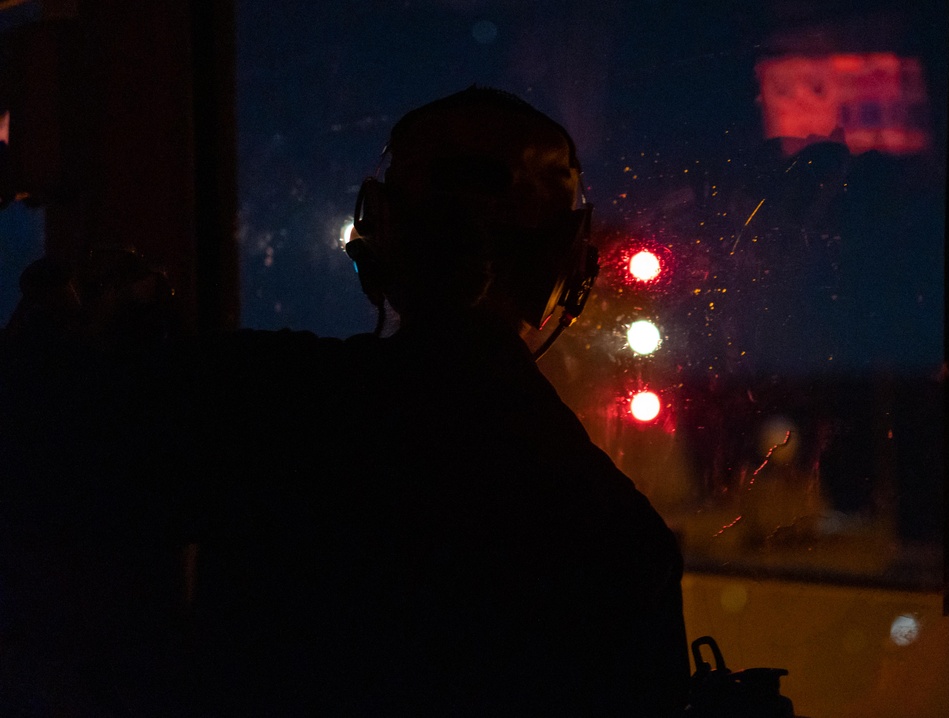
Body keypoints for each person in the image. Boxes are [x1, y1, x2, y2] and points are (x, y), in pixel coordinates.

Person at [0, 86, 690, 715]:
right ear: (567, 266)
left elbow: (47, 458)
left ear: (379, 237)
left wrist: (78, 337)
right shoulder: (620, 534)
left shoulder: (264, 403)